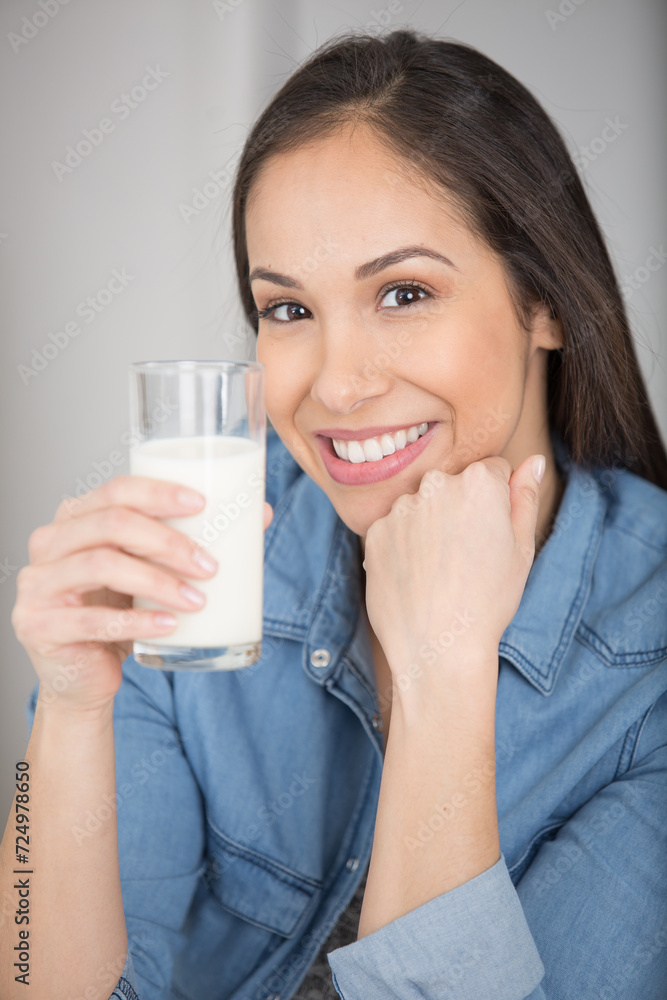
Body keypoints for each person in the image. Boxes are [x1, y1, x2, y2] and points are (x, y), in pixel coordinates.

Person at [2, 27, 666, 1000]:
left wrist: (444, 673)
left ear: (544, 301)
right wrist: (64, 713)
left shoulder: (646, 654)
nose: (339, 386)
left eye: (403, 292)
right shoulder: (204, 552)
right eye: (289, 310)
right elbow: (33, 978)